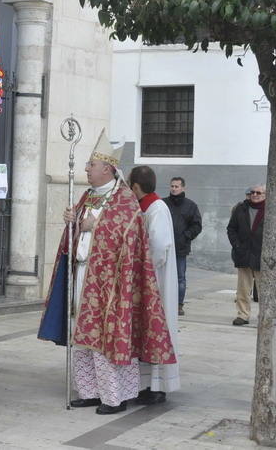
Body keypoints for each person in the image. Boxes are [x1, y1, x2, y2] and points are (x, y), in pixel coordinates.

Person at [37, 130, 175, 415]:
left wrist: (95, 226)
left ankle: (115, 396)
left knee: (109, 339)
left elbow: (128, 236)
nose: (86, 168)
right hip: (83, 275)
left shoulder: (124, 199)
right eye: (88, 164)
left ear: (108, 169)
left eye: (91, 164)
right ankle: (89, 391)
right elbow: (77, 234)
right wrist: (73, 222)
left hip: (112, 284)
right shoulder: (87, 195)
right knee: (82, 334)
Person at [129, 165, 180, 405]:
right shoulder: (145, 207)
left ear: (135, 187)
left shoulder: (156, 208)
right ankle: (145, 385)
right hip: (147, 280)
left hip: (156, 280)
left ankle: (157, 387)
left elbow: (159, 246)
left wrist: (142, 268)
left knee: (156, 329)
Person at [226, 184, 266, 326]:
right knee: (243, 289)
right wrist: (237, 245)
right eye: (252, 192)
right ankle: (243, 315)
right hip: (244, 254)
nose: (255, 194)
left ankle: (265, 316)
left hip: (262, 255)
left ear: (265, 195)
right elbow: (231, 229)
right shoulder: (241, 209)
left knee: (264, 290)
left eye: (258, 192)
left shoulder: (270, 210)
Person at [163, 177, 202, 316]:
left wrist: (186, 236)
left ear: (183, 188)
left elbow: (197, 225)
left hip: (180, 248)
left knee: (180, 278)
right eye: (172, 186)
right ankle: (163, 303)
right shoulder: (162, 204)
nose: (174, 189)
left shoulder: (191, 206)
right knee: (163, 277)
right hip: (164, 247)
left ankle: (179, 304)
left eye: (177, 186)